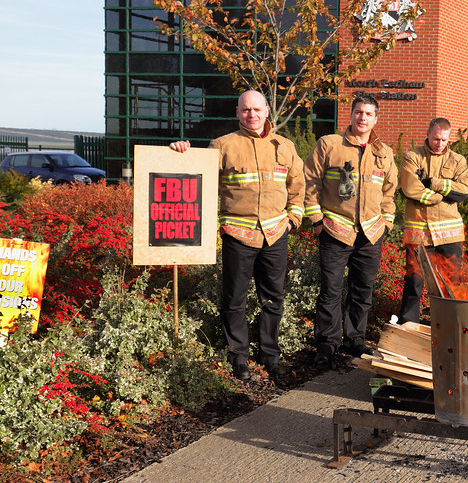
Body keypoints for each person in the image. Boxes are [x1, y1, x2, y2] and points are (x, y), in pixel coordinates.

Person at [169, 90, 305, 387]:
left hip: (275, 234)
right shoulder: (223, 146)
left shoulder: (285, 146)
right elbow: (195, 179)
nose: (252, 114)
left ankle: (270, 355)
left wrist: (293, 220)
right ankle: (238, 357)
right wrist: (181, 152)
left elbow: (297, 186)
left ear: (267, 110)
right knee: (235, 300)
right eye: (246, 110)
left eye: (257, 109)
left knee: (273, 299)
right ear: (237, 112)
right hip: (238, 235)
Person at [304, 94, 397, 369]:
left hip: (370, 234)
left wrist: (387, 223)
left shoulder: (385, 152)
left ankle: (355, 338)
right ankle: (328, 342)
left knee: (362, 290)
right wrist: (317, 220)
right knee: (331, 290)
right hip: (335, 230)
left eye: (368, 114)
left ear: (375, 119)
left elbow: (389, 192)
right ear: (351, 114)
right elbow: (310, 182)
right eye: (358, 112)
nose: (362, 118)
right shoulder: (329, 145)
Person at [399, 117, 468, 323]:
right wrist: (439, 197)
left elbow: (463, 191)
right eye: (436, 138)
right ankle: (408, 325)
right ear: (428, 134)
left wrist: (433, 183)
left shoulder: (458, 161)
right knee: (414, 281)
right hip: (419, 232)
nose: (440, 144)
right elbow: (409, 187)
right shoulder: (412, 157)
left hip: (449, 234)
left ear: (450, 139)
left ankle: (450, 323)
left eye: (444, 140)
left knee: (452, 280)